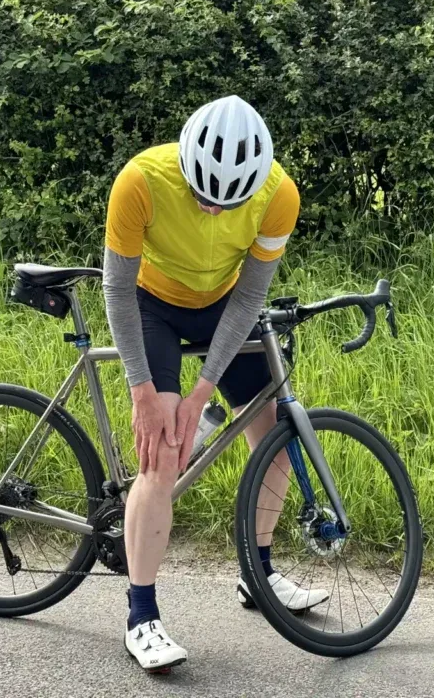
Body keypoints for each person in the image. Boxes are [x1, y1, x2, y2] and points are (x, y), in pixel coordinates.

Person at [102, 96, 329, 673]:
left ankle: (258, 575)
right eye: (202, 196)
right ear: (184, 165)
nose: (209, 211)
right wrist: (143, 393)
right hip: (153, 307)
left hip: (226, 303)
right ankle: (141, 616)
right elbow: (118, 292)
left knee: (275, 434)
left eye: (224, 202)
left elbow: (250, 295)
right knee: (164, 452)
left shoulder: (279, 195)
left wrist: (203, 389)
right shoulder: (140, 181)